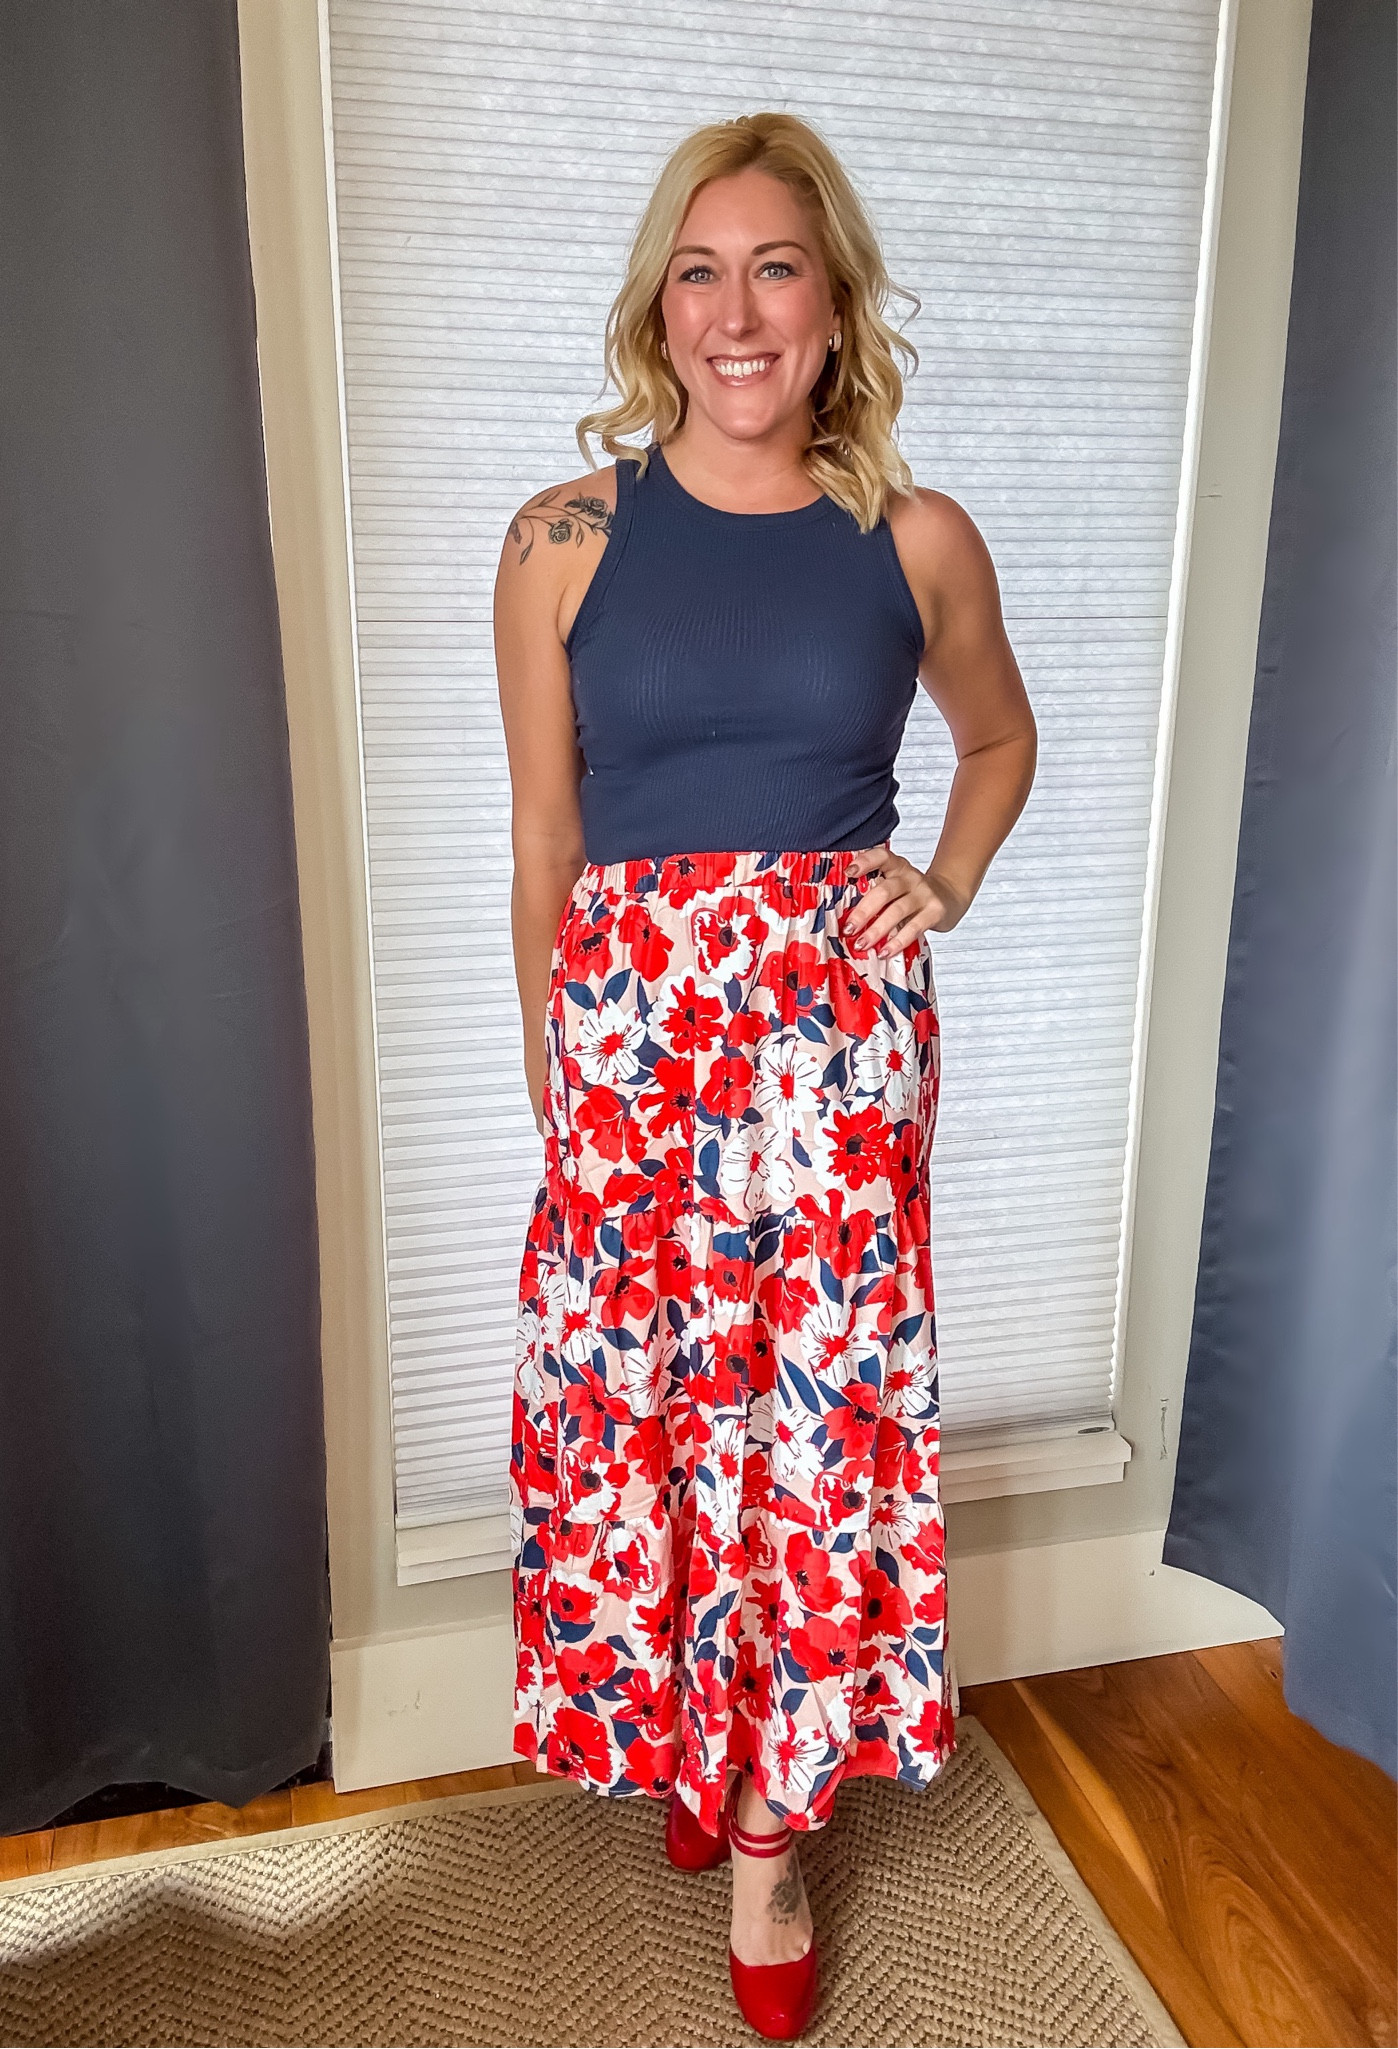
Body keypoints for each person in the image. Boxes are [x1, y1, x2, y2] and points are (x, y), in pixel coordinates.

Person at [495, 110, 1035, 2042]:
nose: (735, 311)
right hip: (632, 1049)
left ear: (832, 307)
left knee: (804, 1438)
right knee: (648, 1417)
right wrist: (557, 1080)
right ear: (661, 302)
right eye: (699, 269)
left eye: (776, 268)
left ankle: (770, 1828)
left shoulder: (911, 534)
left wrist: (940, 883)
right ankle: (686, 1727)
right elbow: (545, 840)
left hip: (824, 1050)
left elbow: (993, 740)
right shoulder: (561, 542)